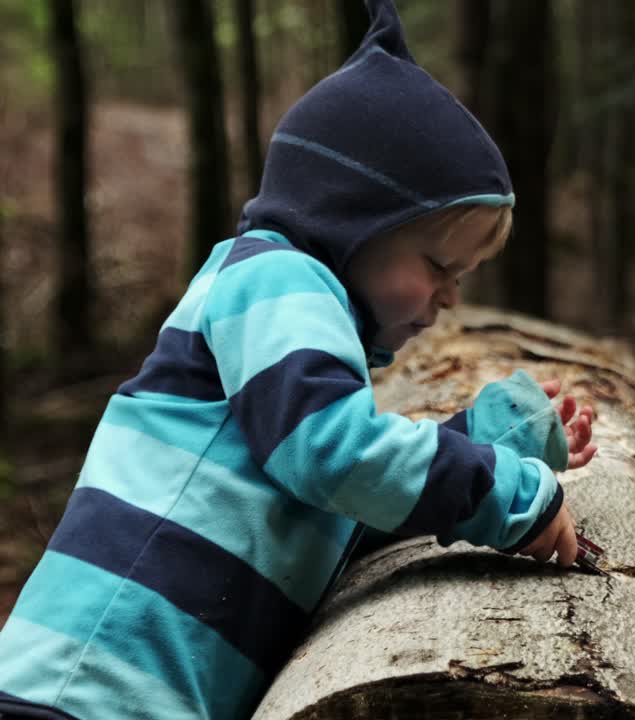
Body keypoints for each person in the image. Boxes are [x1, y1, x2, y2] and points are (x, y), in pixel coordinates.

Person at [0, 2, 596, 718]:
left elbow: (333, 505)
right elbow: (333, 459)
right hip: (85, 692)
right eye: (438, 264)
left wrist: (491, 438)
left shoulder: (295, 355)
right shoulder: (275, 279)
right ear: (350, 220)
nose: (446, 299)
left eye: (461, 277)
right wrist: (505, 494)